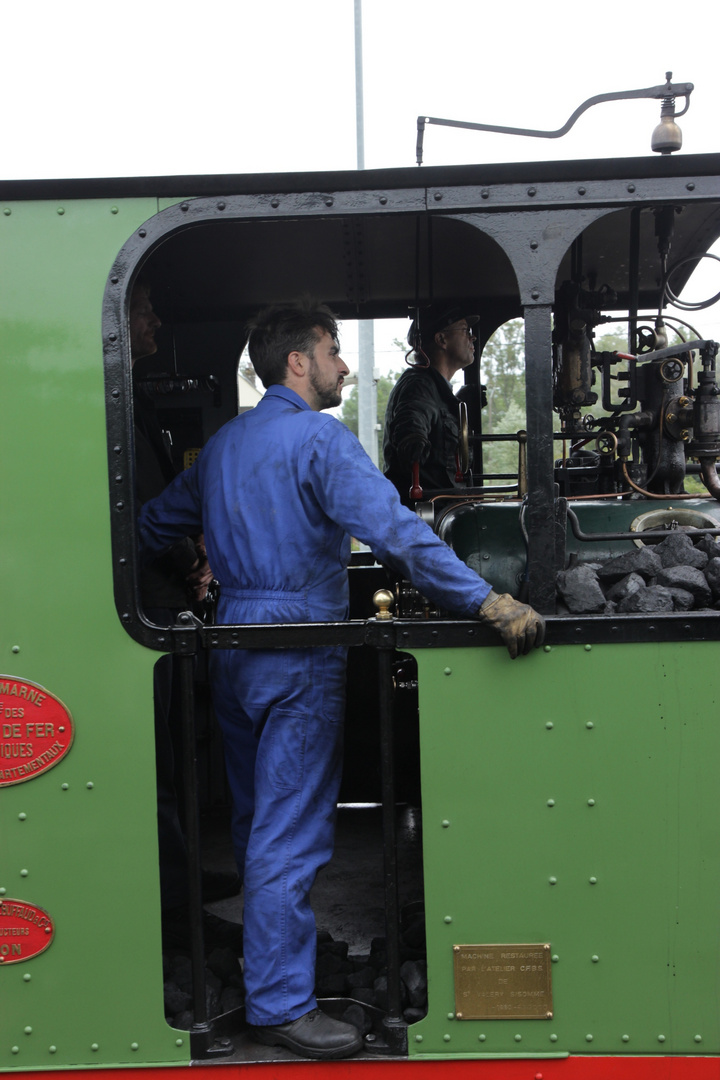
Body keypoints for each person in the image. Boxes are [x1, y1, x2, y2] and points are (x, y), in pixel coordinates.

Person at [138, 299, 545, 1060]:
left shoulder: (224, 445)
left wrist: (189, 567)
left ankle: (273, 963)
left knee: (259, 824)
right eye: (333, 351)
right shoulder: (321, 444)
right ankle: (282, 1004)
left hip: (233, 648)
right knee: (289, 835)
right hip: (299, 649)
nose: (345, 365)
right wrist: (485, 600)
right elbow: (396, 534)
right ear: (298, 362)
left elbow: (152, 523)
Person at [130, 280, 242, 949]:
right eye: (145, 311)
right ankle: (174, 916)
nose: (156, 321)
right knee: (156, 768)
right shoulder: (110, 403)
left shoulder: (134, 399)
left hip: (162, 597)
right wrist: (189, 560)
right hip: (146, 601)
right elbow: (137, 512)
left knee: (174, 761)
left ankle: (182, 882)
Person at [383, 306, 478, 503]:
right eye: (465, 331)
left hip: (443, 512)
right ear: (442, 339)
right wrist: (412, 436)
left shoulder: (435, 389)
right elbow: (413, 415)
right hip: (427, 516)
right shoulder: (418, 385)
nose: (473, 338)